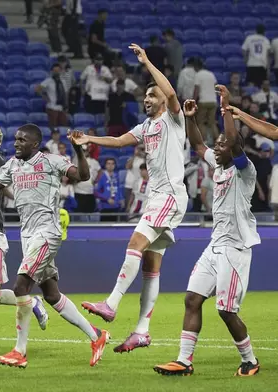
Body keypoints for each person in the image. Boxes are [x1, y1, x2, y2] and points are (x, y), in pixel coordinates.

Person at [0, 124, 109, 368]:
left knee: (21, 285)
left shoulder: (52, 161)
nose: (17, 143)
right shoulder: (12, 165)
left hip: (47, 233)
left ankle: (19, 351)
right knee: (52, 295)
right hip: (28, 236)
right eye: (16, 139)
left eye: (22, 140)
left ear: (34, 144)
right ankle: (97, 336)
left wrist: (78, 149)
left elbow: (83, 176)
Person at [70, 43, 188, 352]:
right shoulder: (147, 125)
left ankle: (111, 303)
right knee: (151, 264)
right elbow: (120, 140)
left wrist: (146, 61)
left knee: (135, 243)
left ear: (163, 99)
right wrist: (88, 139)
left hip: (170, 196)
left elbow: (172, 94)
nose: (147, 99)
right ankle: (142, 331)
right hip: (157, 198)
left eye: (153, 95)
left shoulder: (173, 120)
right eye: (146, 96)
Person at [153, 88, 260, 377]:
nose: (218, 146)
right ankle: (184, 361)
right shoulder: (219, 165)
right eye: (219, 143)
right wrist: (190, 119)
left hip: (235, 250)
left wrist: (226, 109)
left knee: (226, 311)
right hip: (215, 247)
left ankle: (249, 360)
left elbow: (235, 143)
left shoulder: (244, 170)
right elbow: (199, 145)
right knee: (192, 299)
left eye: (222, 144)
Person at [36, 63, 70, 130]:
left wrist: (66, 106)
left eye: (58, 71)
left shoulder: (63, 81)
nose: (56, 72)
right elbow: (37, 89)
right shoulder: (48, 81)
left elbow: (66, 94)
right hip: (52, 107)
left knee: (64, 128)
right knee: (53, 128)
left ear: (60, 71)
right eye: (55, 71)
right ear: (52, 71)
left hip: (61, 108)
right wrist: (45, 97)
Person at [193, 58, 218, 144]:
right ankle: (218, 141)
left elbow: (197, 89)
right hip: (213, 101)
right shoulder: (211, 74)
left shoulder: (198, 75)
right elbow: (216, 87)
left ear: (196, 67)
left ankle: (204, 141)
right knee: (212, 123)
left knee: (201, 122)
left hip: (203, 101)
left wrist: (193, 101)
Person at [95, 157, 123, 221]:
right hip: (105, 207)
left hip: (116, 206)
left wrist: (121, 199)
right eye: (108, 164)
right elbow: (96, 192)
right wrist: (107, 199)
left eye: (112, 164)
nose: (110, 166)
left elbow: (118, 189)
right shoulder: (101, 177)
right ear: (105, 165)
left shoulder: (116, 176)